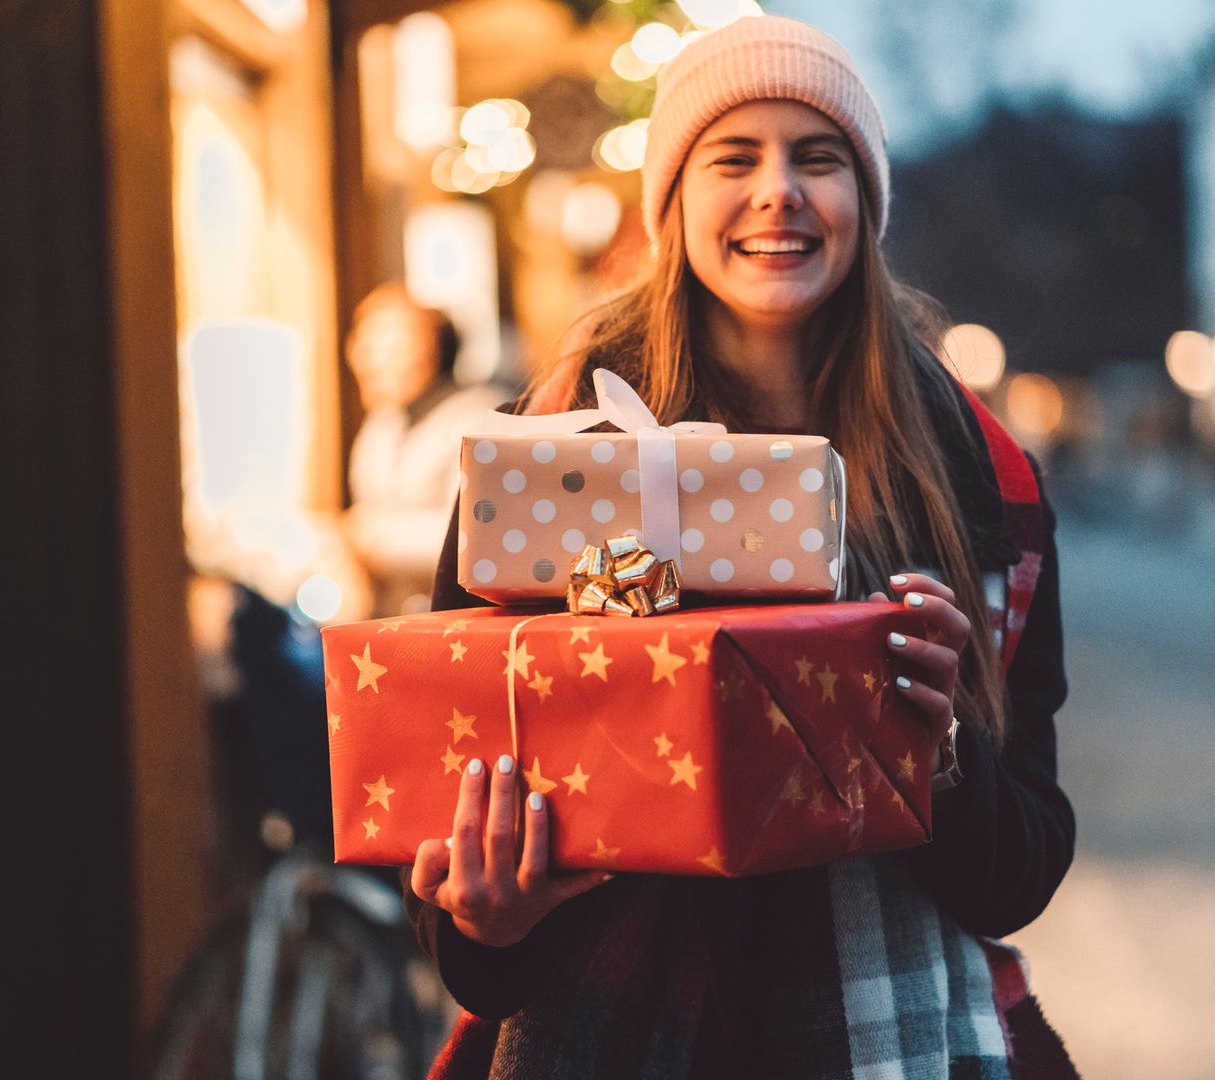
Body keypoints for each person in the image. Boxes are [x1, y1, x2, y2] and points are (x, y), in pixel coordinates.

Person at [402, 16, 1077, 1077]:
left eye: (820, 158)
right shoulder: (551, 461)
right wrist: (485, 920)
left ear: (867, 201)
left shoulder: (975, 477)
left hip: (892, 1038)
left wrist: (941, 755)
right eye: (734, 157)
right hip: (611, 1029)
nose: (779, 192)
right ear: (672, 200)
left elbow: (1020, 873)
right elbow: (462, 860)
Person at [342, 284, 504, 616]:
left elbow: (476, 536)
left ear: (439, 349)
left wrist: (370, 538)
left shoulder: (476, 418)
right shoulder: (381, 425)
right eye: (365, 344)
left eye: (396, 348)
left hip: (459, 620)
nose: (373, 360)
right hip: (392, 617)